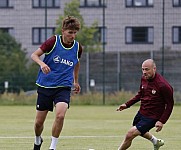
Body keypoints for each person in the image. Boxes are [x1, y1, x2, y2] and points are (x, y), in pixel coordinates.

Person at [31, 16, 82, 150]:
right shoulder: (53, 41)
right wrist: (42, 64)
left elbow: (77, 63)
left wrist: (76, 81)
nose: (73, 35)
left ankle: (52, 147)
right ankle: (37, 139)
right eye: (70, 32)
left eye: (75, 32)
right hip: (45, 85)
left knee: (60, 115)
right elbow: (34, 55)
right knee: (38, 123)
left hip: (64, 86)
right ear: (63, 31)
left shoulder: (77, 47)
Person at [116, 59, 174, 150]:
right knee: (139, 130)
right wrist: (127, 105)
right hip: (142, 112)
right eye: (143, 69)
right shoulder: (144, 78)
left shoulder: (163, 85)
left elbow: (170, 105)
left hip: (153, 116)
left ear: (154, 69)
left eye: (147, 69)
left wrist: (162, 121)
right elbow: (140, 94)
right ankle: (156, 142)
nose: (144, 72)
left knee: (130, 134)